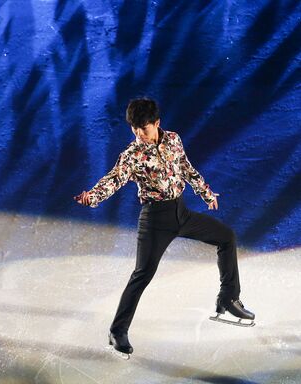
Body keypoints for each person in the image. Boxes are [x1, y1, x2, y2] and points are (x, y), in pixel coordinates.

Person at [74, 98, 254, 359]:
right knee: (142, 274)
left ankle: (228, 298)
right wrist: (92, 196)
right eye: (134, 130)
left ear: (157, 123)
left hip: (181, 213)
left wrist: (206, 193)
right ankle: (117, 330)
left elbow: (186, 168)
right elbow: (114, 179)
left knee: (226, 237)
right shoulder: (132, 155)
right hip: (155, 220)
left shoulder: (173, 140)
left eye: (143, 129)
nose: (139, 135)